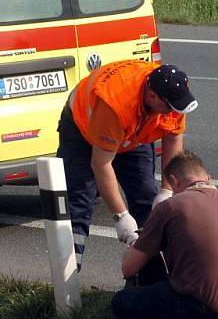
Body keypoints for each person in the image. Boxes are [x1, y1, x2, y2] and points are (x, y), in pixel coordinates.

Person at [56, 60, 198, 269]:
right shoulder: (114, 103)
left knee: (146, 199)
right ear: (152, 97)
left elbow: (173, 140)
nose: (173, 113)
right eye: (169, 108)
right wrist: (120, 216)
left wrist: (167, 190)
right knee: (79, 202)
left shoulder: (173, 95)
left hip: (133, 132)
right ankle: (67, 284)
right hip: (83, 131)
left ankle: (152, 277)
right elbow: (101, 164)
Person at [111, 151, 218, 319]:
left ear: (173, 182)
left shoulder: (170, 207)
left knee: (122, 302)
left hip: (207, 309)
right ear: (209, 178)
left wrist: (135, 242)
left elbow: (129, 268)